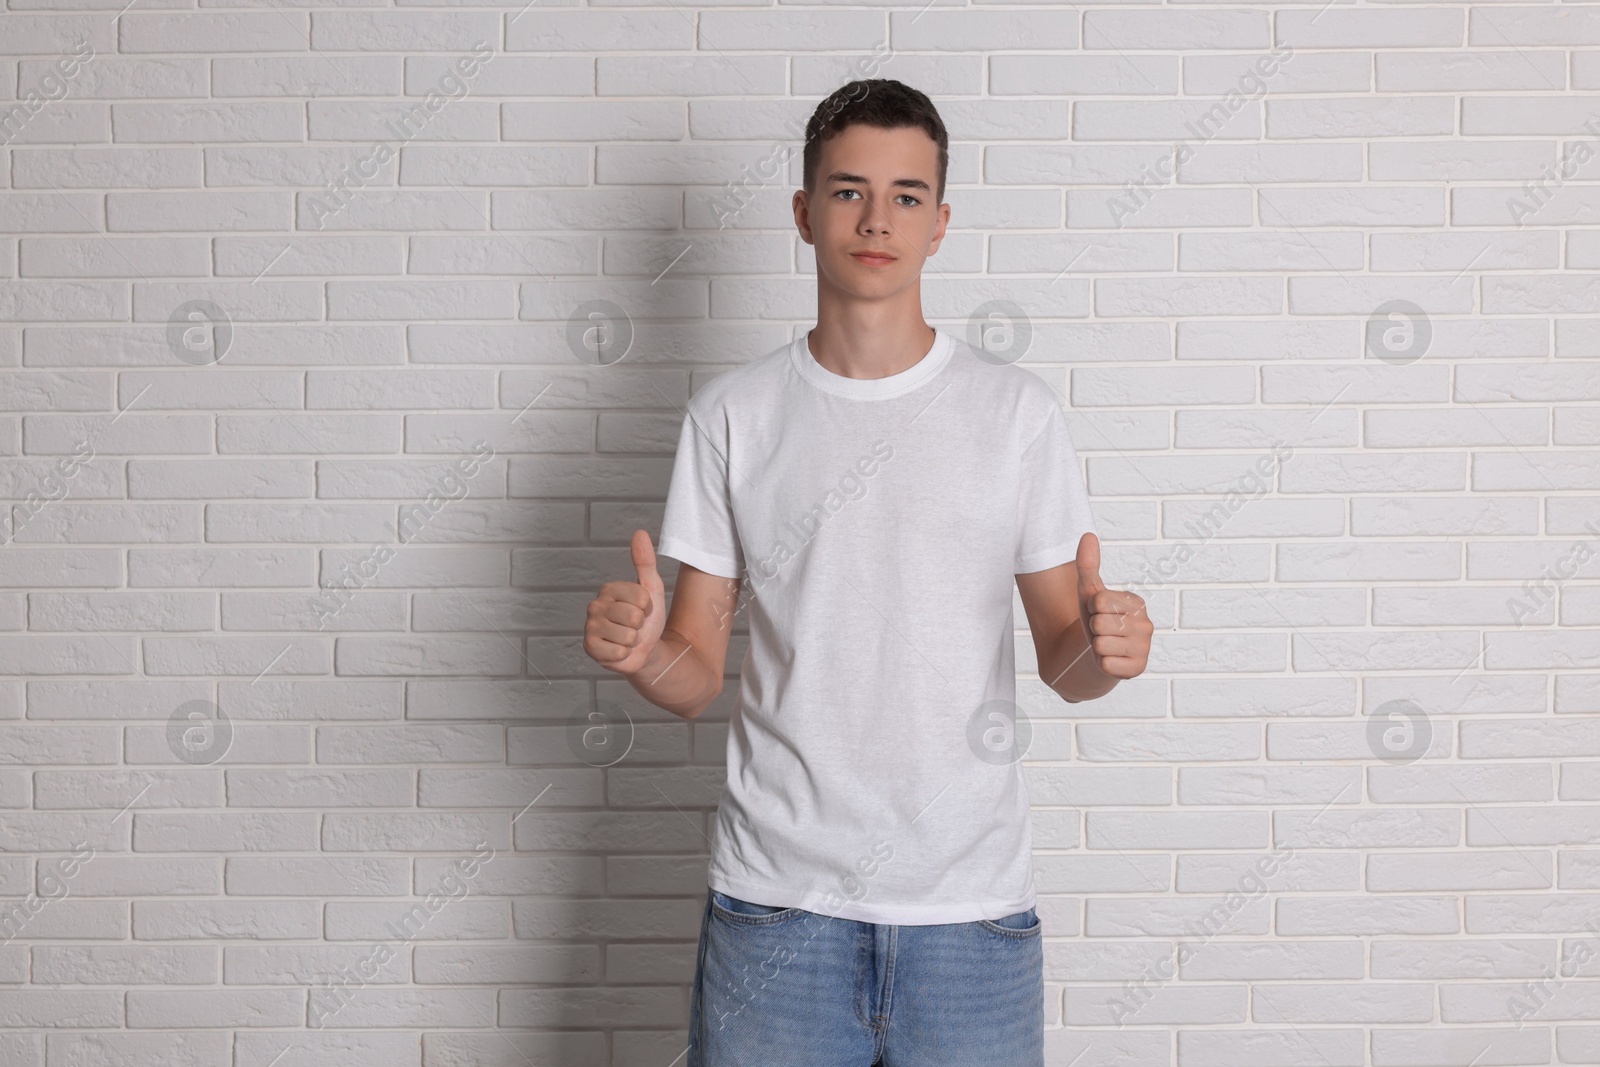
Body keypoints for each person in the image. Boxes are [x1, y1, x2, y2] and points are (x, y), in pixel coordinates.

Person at [582, 78, 1153, 1067]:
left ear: (939, 222)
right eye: (847, 192)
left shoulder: (1013, 414)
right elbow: (692, 672)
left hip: (969, 919)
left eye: (904, 195)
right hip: (777, 910)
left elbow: (1067, 660)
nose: (875, 218)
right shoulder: (734, 415)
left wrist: (1108, 651)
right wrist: (643, 656)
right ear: (803, 213)